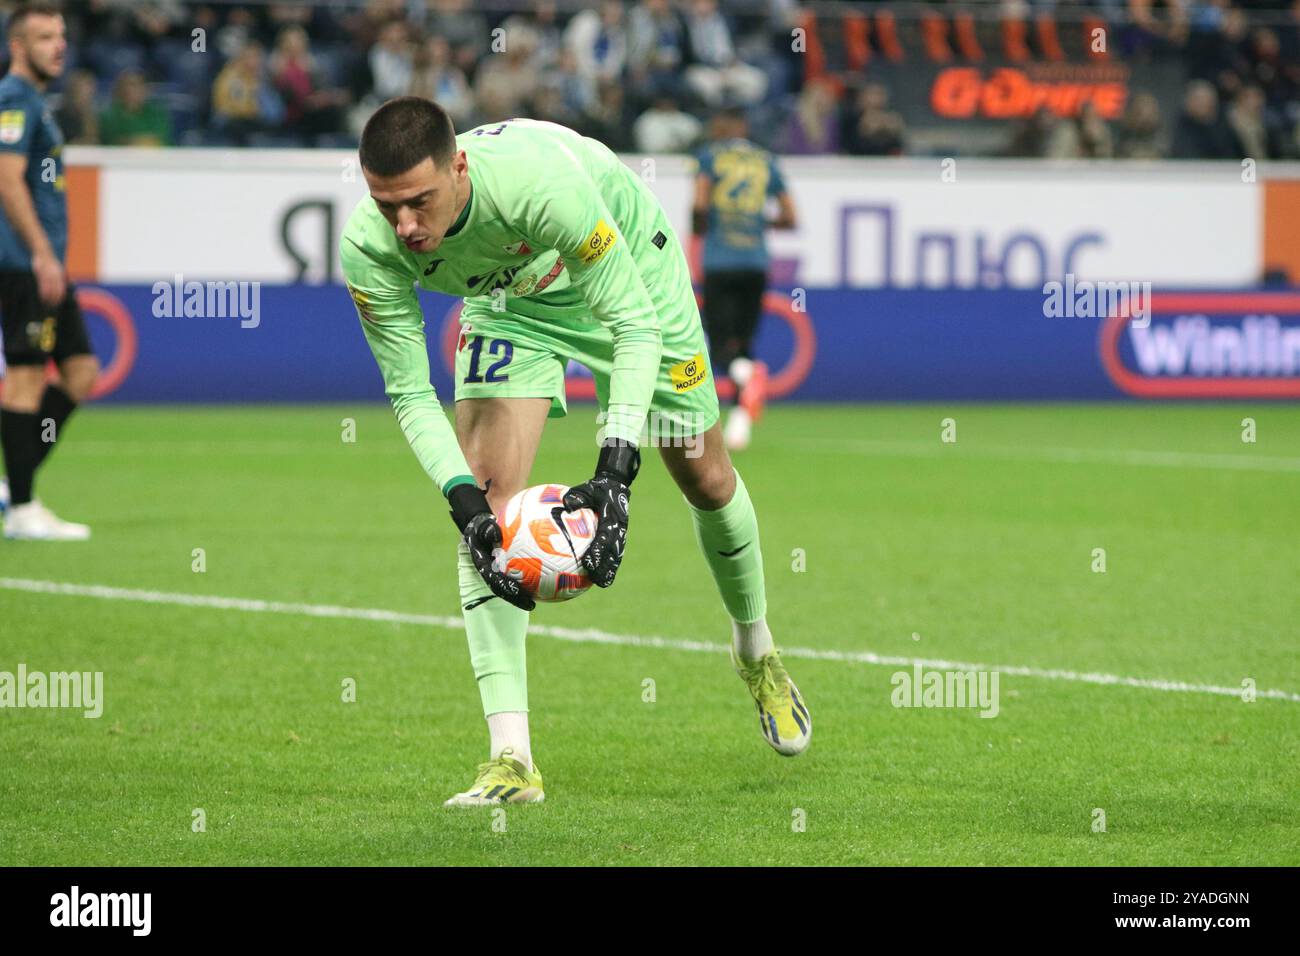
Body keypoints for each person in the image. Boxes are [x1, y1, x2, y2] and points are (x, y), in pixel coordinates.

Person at [339, 98, 811, 805]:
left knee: (706, 477)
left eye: (419, 203)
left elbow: (632, 324)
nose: (406, 227)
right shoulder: (367, 248)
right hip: (512, 307)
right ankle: (510, 759)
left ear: (458, 168)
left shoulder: (537, 186)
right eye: (387, 206)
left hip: (631, 279)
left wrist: (615, 471)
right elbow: (409, 393)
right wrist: (462, 502)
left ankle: (756, 649)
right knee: (490, 508)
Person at [0, 3, 97, 539]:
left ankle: (14, 486)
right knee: (26, 378)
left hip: (43, 265)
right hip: (21, 264)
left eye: (60, 36)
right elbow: (7, 179)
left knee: (81, 371)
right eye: (43, 37)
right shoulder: (14, 98)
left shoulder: (37, 103)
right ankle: (22, 508)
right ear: (18, 46)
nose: (58, 46)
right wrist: (39, 253)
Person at [692, 108, 795, 451]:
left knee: (720, 344)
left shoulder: (710, 157)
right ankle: (739, 425)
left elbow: (700, 205)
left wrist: (702, 232)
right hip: (755, 261)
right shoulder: (765, 160)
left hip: (720, 260)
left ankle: (739, 376)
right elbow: (791, 216)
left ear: (726, 125)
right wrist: (757, 226)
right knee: (745, 343)